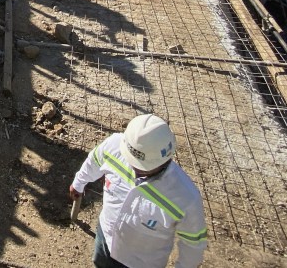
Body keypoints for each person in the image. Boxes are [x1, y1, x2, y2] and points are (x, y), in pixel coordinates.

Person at [69, 114, 207, 268]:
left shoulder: (185, 197)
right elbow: (94, 162)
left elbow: (193, 245)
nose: (134, 168)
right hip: (106, 239)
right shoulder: (114, 145)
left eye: (142, 166)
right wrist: (79, 183)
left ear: (165, 159)